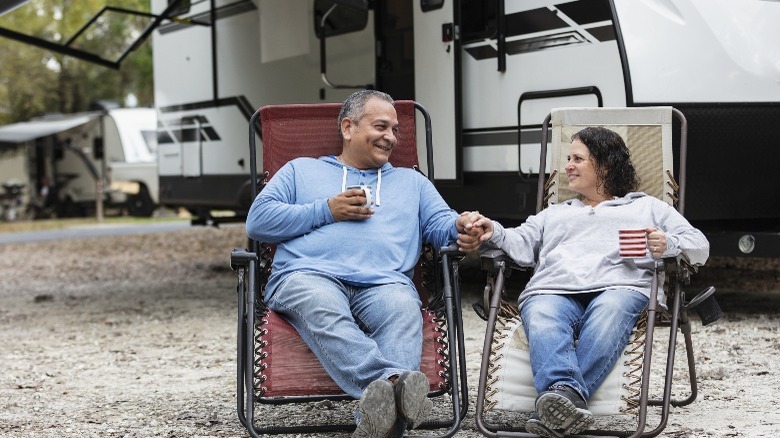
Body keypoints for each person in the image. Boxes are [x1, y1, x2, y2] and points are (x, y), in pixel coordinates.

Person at [245, 90, 485, 438]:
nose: (390, 136)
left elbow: (441, 225)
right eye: (380, 126)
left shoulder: (412, 182)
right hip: (309, 275)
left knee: (403, 310)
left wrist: (463, 227)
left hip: (386, 282)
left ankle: (378, 421)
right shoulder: (300, 171)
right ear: (348, 127)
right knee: (322, 304)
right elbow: (259, 221)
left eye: (395, 130)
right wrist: (327, 210)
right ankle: (395, 384)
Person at [469, 126, 709, 438]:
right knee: (540, 312)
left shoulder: (647, 207)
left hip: (619, 288)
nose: (567, 165)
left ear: (605, 166)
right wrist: (494, 231)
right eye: (568, 158)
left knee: (611, 309)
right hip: (554, 289)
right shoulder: (555, 213)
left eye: (578, 159)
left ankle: (557, 402)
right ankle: (567, 397)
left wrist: (670, 244)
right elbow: (521, 241)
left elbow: (700, 245)